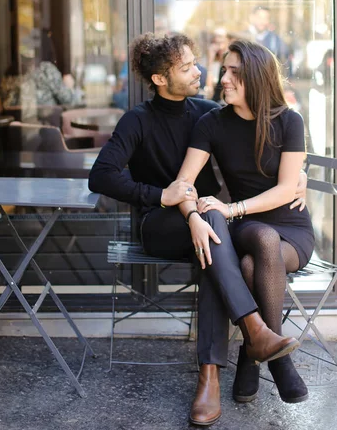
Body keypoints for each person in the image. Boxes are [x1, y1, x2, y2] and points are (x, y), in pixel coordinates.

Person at [88, 33, 307, 427]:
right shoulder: (138, 120)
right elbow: (101, 176)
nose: (201, 71)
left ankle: (212, 378)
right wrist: (161, 197)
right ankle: (255, 329)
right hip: (164, 224)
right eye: (188, 67)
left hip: (209, 223)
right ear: (159, 78)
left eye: (196, 63)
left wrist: (298, 176)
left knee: (212, 245)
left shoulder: (206, 113)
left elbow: (258, 138)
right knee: (213, 227)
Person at [177, 39, 314, 413]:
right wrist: (193, 212)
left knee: (257, 259)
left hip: (291, 229)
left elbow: (288, 188)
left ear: (257, 76)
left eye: (235, 72)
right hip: (247, 227)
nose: (225, 78)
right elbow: (184, 183)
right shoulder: (212, 123)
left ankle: (253, 358)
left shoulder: (289, 120)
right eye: (225, 70)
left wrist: (232, 207)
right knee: (253, 235)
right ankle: (278, 358)